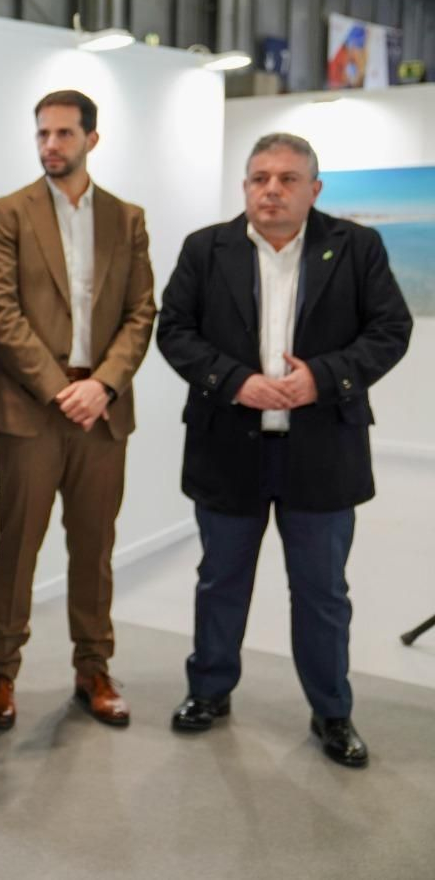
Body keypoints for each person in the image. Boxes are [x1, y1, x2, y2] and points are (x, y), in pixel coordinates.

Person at [156, 132, 411, 767]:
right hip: (228, 448)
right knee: (220, 581)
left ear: (314, 189)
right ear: (244, 187)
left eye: (287, 179)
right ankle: (209, 692)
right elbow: (175, 331)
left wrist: (320, 379)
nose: (271, 190)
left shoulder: (357, 248)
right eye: (259, 178)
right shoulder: (204, 249)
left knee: (322, 591)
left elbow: (391, 329)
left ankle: (332, 711)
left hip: (322, 452)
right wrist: (234, 381)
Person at [0, 89, 157, 730]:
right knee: (17, 547)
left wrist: (101, 385)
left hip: (101, 410)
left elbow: (141, 313)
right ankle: (1, 673)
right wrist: (59, 388)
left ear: (91, 140)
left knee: (95, 546)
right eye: (42, 134)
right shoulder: (10, 213)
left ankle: (94, 669)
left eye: (64, 134)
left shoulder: (125, 218)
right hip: (30, 409)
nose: (51, 145)